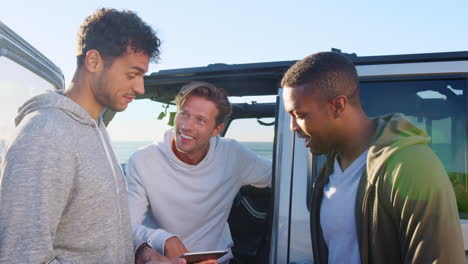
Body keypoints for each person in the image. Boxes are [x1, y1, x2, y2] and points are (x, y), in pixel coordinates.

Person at [0, 8, 163, 264]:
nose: (139, 88)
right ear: (94, 61)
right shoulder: (44, 135)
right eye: (132, 75)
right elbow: (21, 256)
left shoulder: (96, 128)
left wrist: (141, 251)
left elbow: (96, 229)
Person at [280, 52, 465, 263]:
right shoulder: (328, 171)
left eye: (301, 115)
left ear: (338, 106)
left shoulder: (410, 164)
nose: (293, 127)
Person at [126, 81, 272, 264]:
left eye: (200, 120)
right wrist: (162, 238)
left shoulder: (234, 156)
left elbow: (282, 176)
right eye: (184, 115)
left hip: (218, 261)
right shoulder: (142, 160)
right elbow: (127, 226)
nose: (187, 126)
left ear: (216, 130)